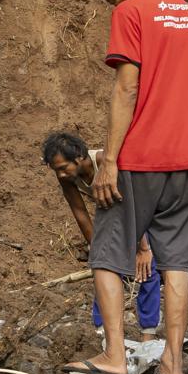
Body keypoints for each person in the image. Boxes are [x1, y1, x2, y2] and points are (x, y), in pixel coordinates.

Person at [61, 0, 188, 374]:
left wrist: (109, 161)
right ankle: (173, 365)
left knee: (106, 253)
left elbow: (127, 88)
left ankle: (114, 355)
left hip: (142, 156)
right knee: (177, 260)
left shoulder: (131, 11)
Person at [41, 131, 163, 337]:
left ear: (79, 157)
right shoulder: (67, 177)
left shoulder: (104, 163)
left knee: (147, 269)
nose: (60, 174)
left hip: (143, 210)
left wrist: (143, 248)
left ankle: (148, 334)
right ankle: (102, 332)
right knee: (103, 268)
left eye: (63, 168)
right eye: (56, 170)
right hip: (113, 213)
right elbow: (79, 212)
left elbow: (135, 203)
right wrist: (97, 249)